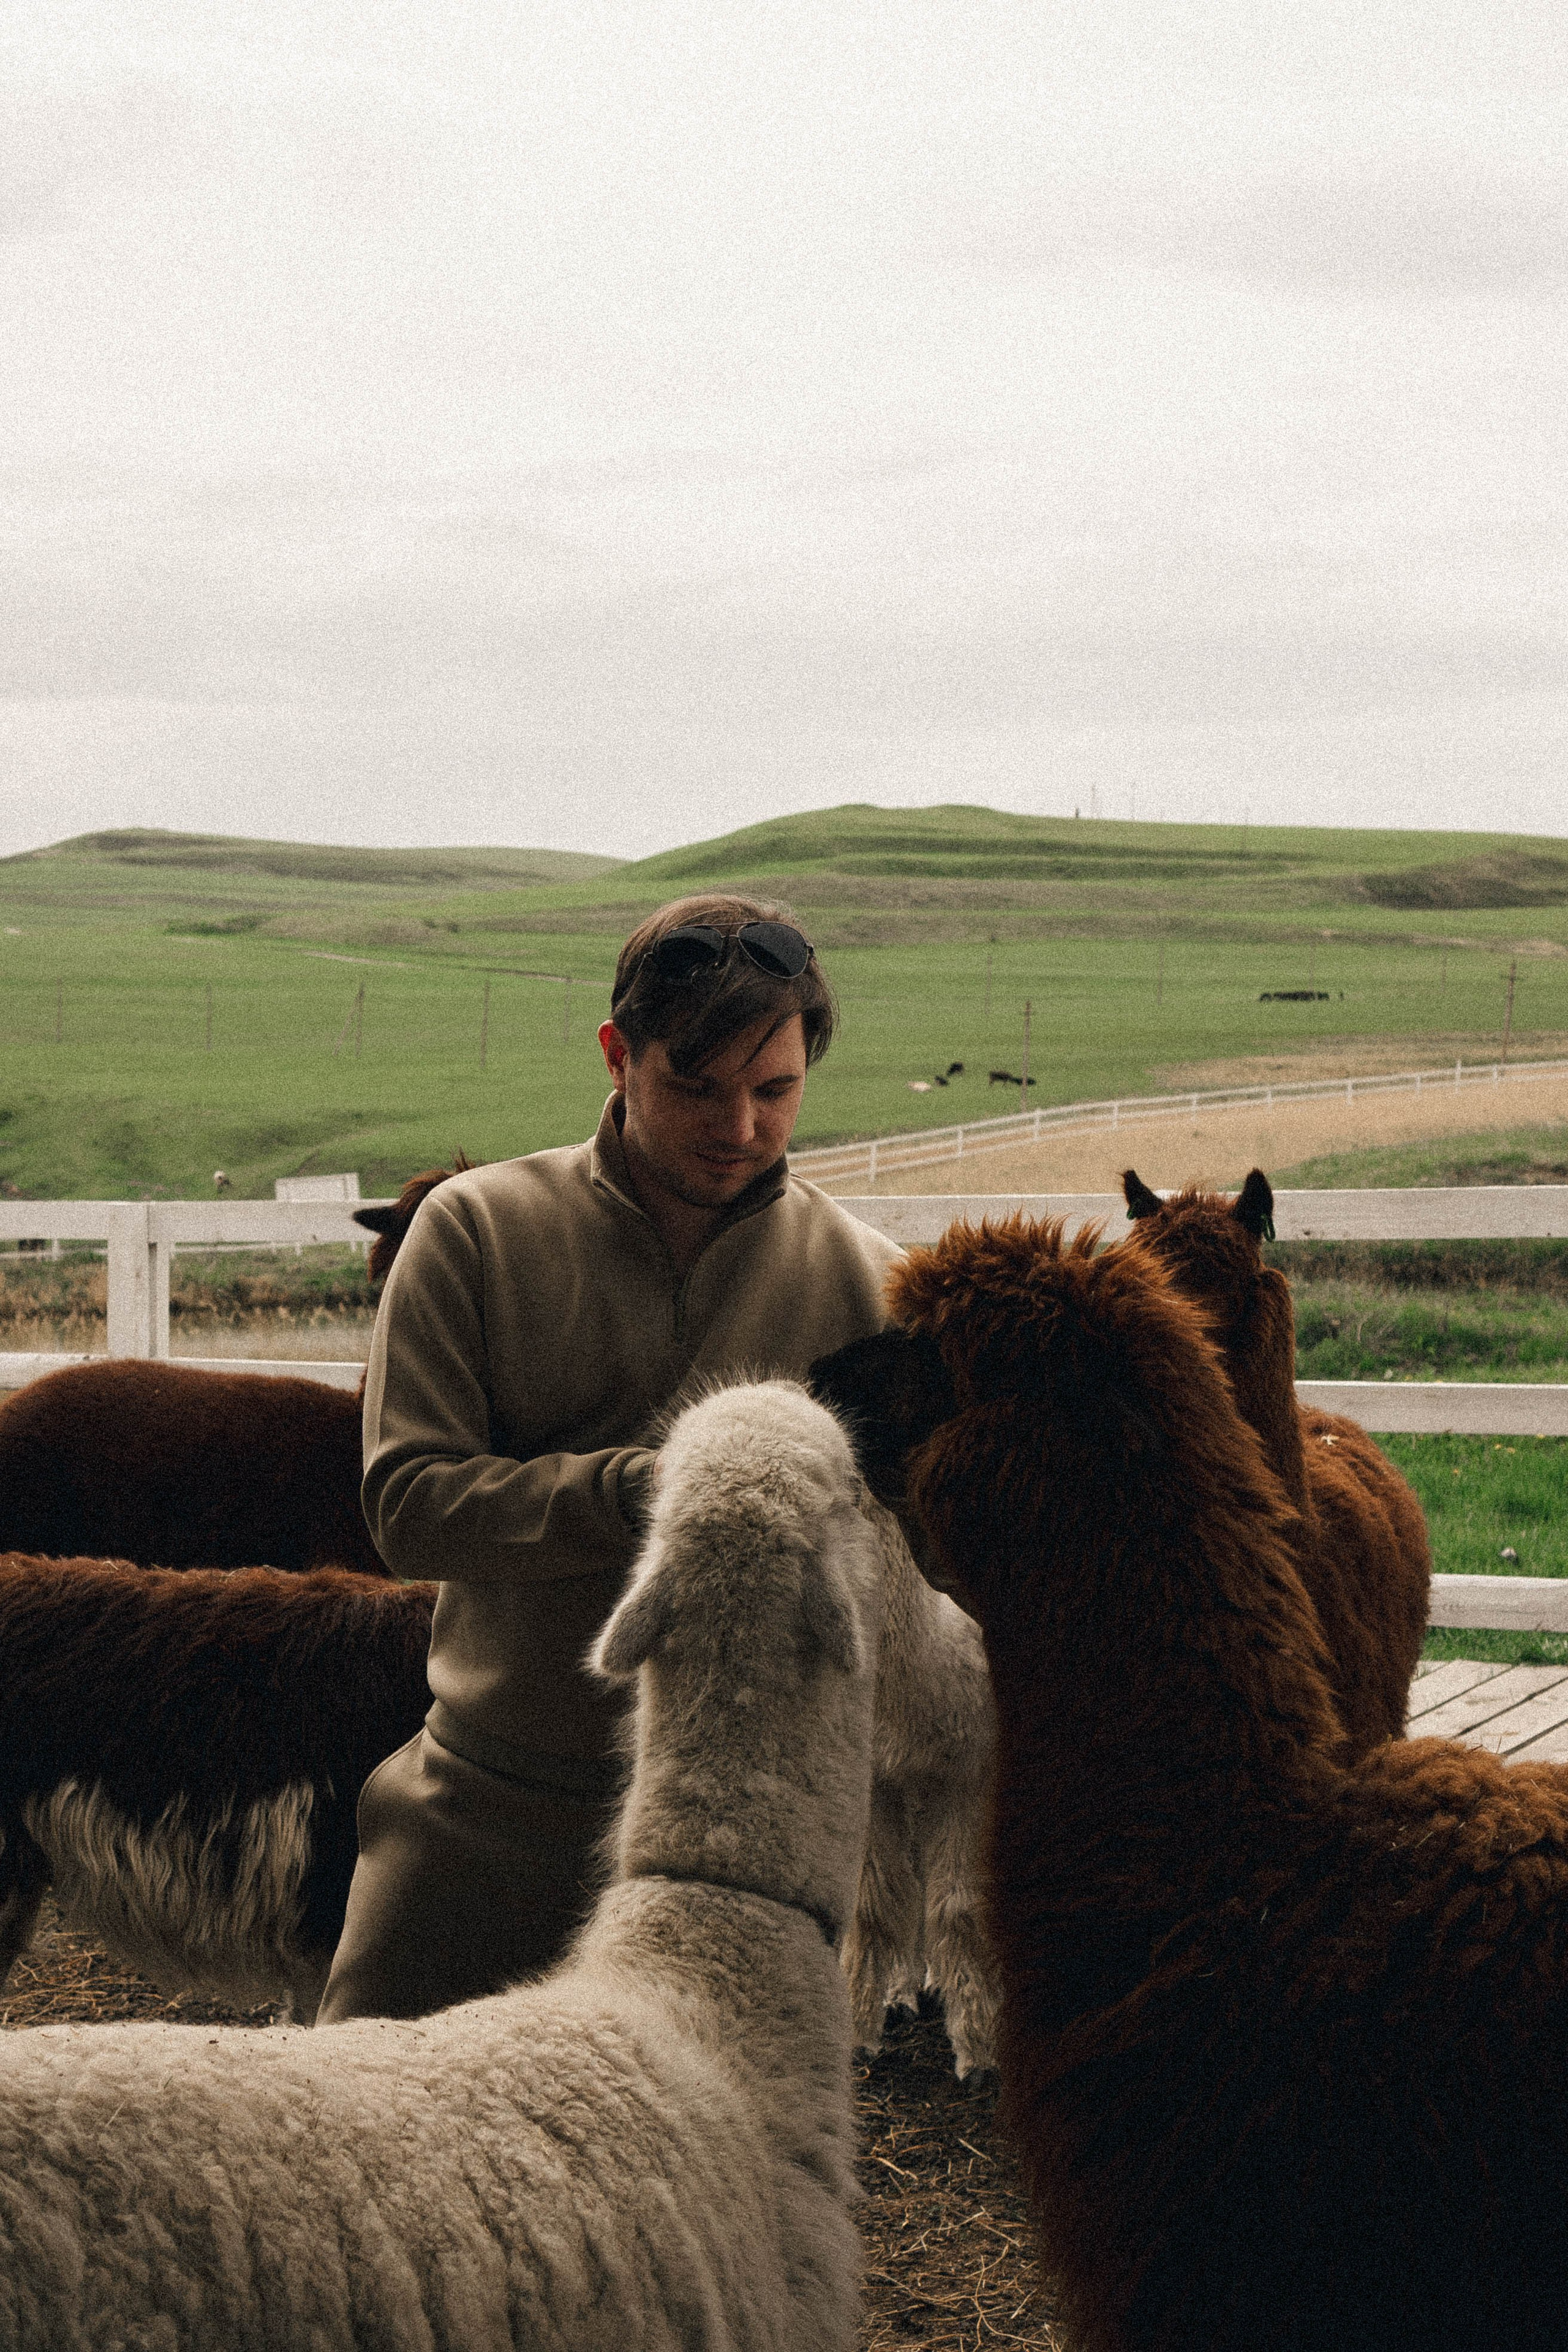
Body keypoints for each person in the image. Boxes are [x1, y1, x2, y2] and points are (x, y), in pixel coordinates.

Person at [317, 892, 902, 2024]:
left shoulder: (872, 1286)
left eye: (774, 1090)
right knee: (350, 2163)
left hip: (748, 1857)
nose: (739, 1127)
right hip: (486, 1813)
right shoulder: (474, 1232)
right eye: (696, 1085)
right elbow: (409, 1507)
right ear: (616, 1053)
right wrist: (664, 1489)